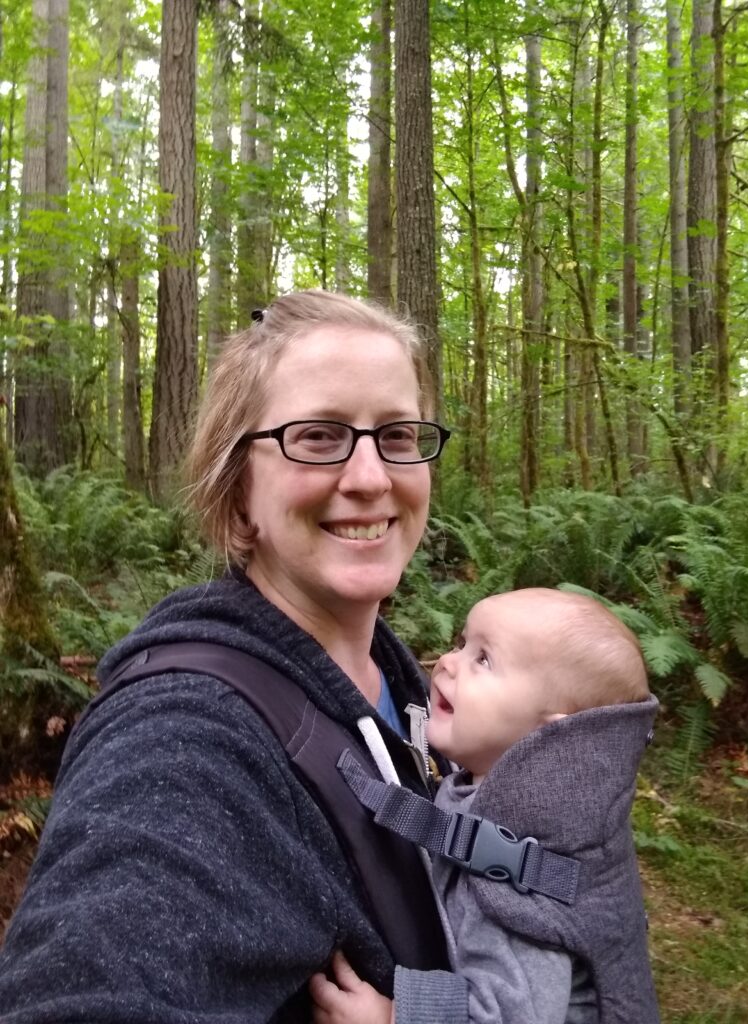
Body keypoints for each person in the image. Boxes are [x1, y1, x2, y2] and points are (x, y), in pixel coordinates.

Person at [0, 291, 454, 1021]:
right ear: (239, 487)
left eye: (397, 435)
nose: (372, 477)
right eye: (318, 436)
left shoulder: (408, 687)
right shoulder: (184, 733)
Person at [310, 588, 661, 1024]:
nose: (447, 662)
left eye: (484, 660)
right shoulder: (535, 806)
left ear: (551, 735)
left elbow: (512, 1016)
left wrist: (392, 1017)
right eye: (462, 643)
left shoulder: (526, 882)